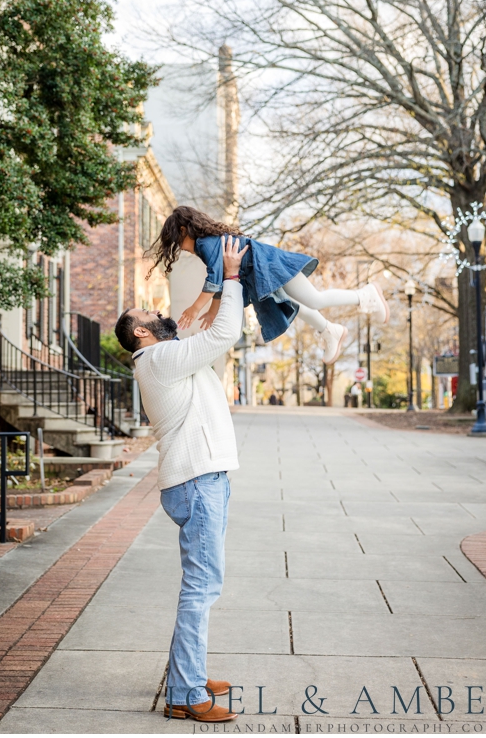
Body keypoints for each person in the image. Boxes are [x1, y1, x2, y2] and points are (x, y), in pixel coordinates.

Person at [115, 235, 248, 724]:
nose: (154, 311)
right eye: (146, 314)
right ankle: (187, 694)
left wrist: (214, 281)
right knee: (202, 586)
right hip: (196, 482)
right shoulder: (160, 360)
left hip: (201, 479)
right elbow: (221, 335)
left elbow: (197, 322)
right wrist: (232, 276)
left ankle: (184, 677)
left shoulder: (166, 353)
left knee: (202, 583)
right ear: (142, 335)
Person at [148, 206, 389, 364]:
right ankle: (329, 330)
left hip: (269, 266)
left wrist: (195, 308)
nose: (179, 248)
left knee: (314, 299)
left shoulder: (205, 243)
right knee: (292, 304)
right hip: (261, 272)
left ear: (183, 230)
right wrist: (212, 310)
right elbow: (221, 280)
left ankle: (364, 296)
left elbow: (213, 279)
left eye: (177, 242)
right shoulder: (208, 244)